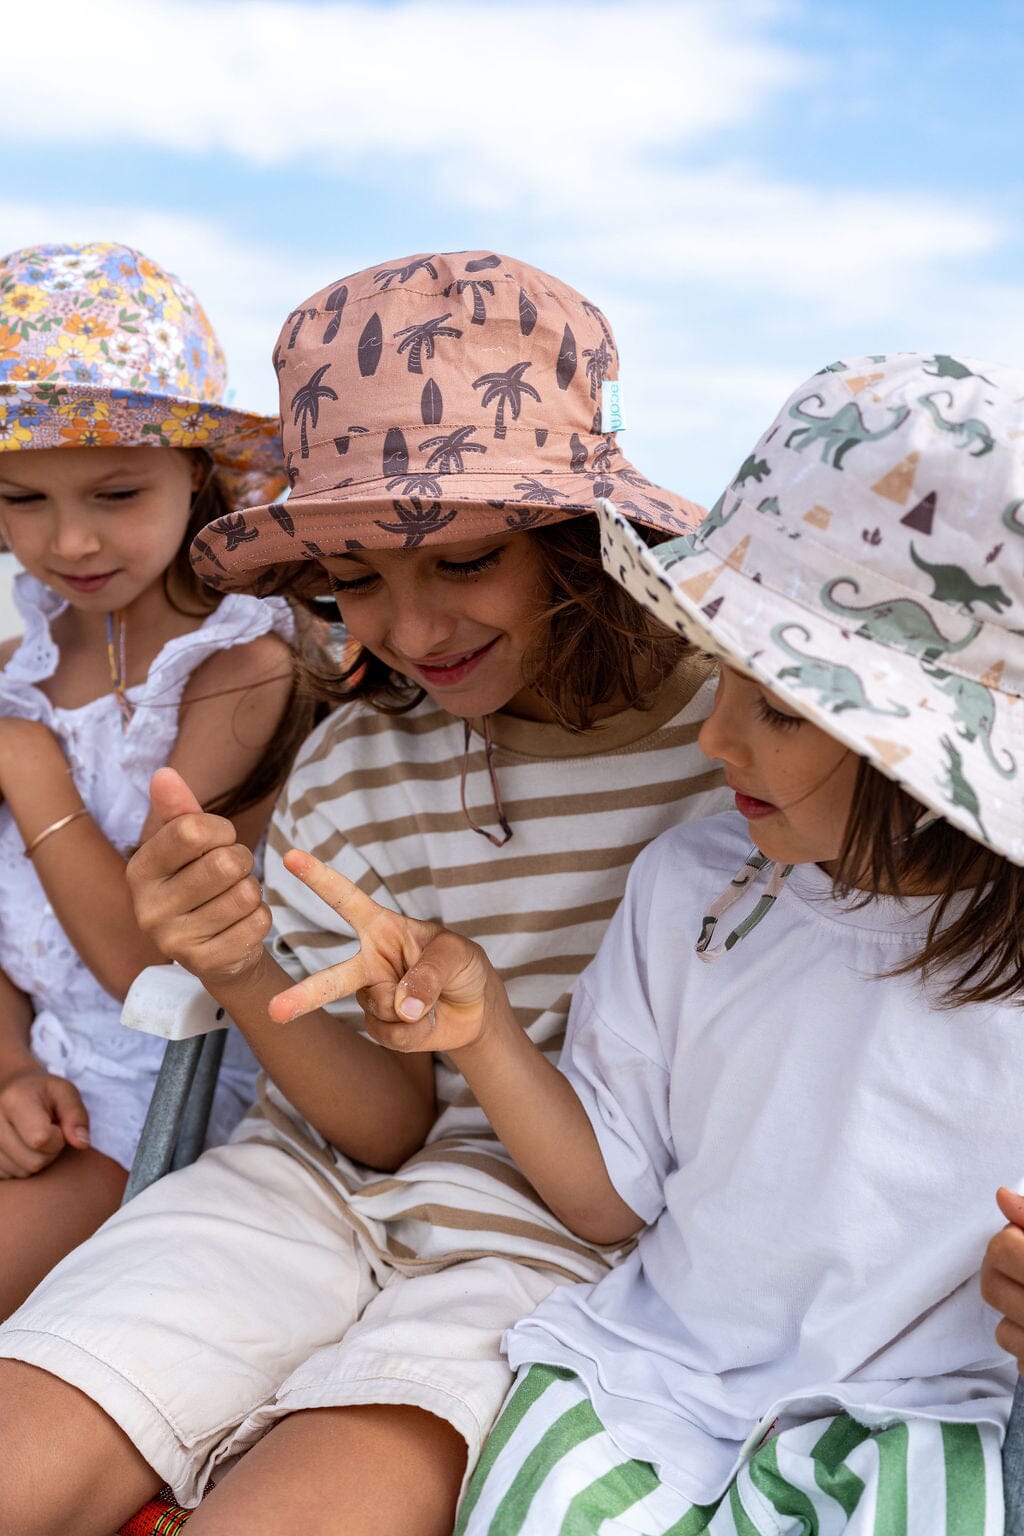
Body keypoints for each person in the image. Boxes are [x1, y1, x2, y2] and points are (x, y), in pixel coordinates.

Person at [0, 251, 729, 1536]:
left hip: (565, 1252)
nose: (410, 628)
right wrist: (233, 961)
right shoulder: (358, 752)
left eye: (459, 562)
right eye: (356, 580)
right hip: (301, 1188)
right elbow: (382, 1130)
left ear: (574, 539)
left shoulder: (737, 756)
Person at [257, 352, 1024, 1535]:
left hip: (920, 1425)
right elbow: (610, 1200)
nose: (714, 739)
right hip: (634, 1386)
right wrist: (488, 1033)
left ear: (918, 748)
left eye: (777, 705)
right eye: (720, 680)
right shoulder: (691, 884)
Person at [0, 241, 319, 1317]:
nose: (70, 539)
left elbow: (151, 967)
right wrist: (7, 1068)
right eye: (21, 498)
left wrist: (32, 770)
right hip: (37, 1084)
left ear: (199, 470)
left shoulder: (237, 667)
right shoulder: (27, 664)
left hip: (157, 1106)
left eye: (116, 490)